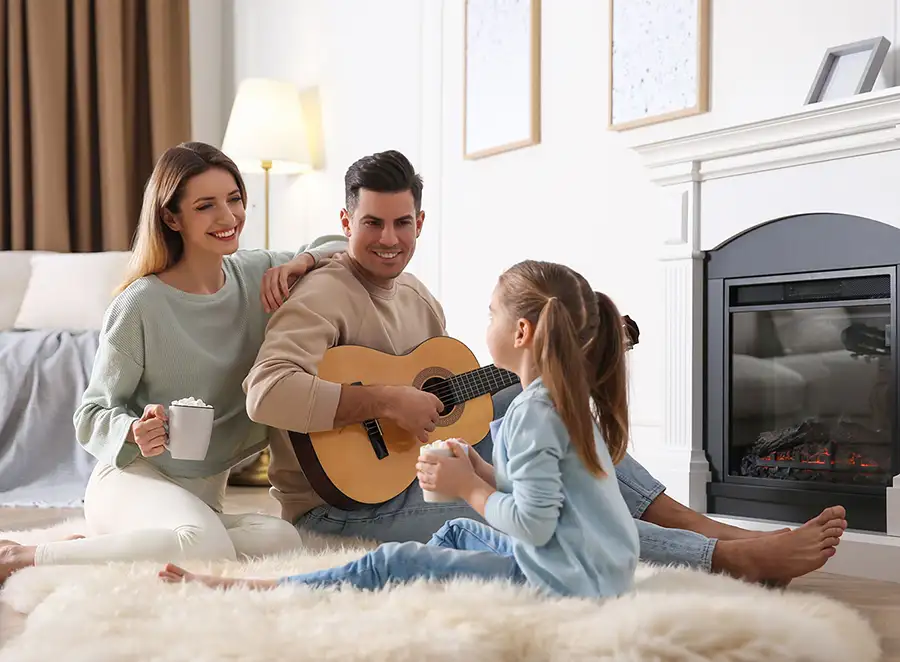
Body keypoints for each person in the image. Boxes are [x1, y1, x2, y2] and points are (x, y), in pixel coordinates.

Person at [160, 260, 640, 597]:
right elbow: (543, 499)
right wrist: (482, 471)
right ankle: (420, 583)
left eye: (492, 313)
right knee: (452, 531)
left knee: (395, 561)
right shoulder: (558, 402)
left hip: (566, 579)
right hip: (599, 568)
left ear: (521, 334)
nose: (486, 322)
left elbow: (534, 526)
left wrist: (468, 486)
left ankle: (266, 588)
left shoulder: (532, 413)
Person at [0, 142, 349, 581]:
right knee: (204, 545)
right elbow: (90, 413)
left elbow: (343, 244)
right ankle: (22, 558)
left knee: (281, 540)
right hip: (132, 481)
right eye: (206, 206)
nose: (228, 217)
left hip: (202, 497)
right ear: (171, 217)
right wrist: (132, 429)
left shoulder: (257, 272)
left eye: (235, 199)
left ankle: (104, 550)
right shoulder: (140, 304)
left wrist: (302, 261)